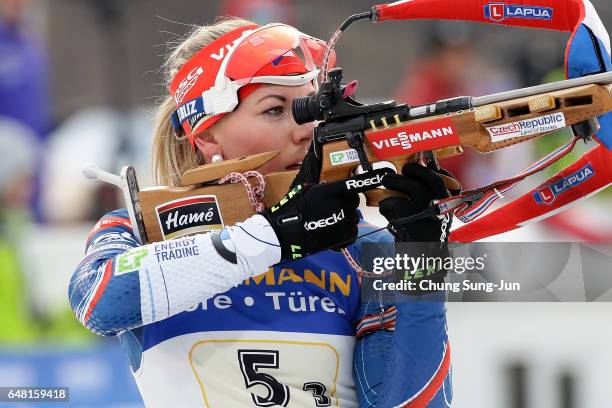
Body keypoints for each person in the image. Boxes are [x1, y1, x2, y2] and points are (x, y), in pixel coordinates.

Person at [68, 19, 452, 407]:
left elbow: (410, 401)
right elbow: (98, 300)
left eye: (310, 107)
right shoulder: (143, 230)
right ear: (205, 134)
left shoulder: (363, 247)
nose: (307, 130)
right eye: (274, 110)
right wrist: (275, 236)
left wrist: (422, 262)